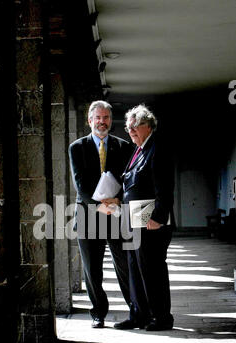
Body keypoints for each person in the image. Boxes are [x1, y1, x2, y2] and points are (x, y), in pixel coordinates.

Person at [68, 100, 133, 328]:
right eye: (98, 118)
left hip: (116, 213)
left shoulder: (124, 147)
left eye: (106, 118)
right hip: (88, 215)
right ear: (90, 120)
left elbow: (128, 180)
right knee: (92, 270)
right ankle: (98, 313)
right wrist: (99, 206)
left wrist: (117, 201)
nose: (102, 122)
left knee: (125, 265)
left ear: (110, 120)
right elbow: (80, 183)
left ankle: (135, 309)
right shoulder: (77, 147)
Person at [113, 104, 175, 331]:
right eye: (128, 127)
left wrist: (158, 216)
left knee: (152, 268)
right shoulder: (139, 150)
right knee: (134, 268)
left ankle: (161, 317)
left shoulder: (157, 148)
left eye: (134, 126)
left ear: (148, 126)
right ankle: (138, 314)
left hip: (149, 217)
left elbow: (165, 187)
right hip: (133, 216)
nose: (130, 131)